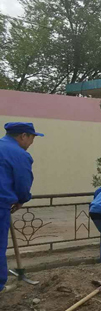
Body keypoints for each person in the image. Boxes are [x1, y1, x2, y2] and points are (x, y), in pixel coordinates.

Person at [0, 122, 44, 294]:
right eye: (32, 138)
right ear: (23, 136)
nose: (32, 142)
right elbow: (23, 183)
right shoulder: (19, 154)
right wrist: (21, 200)